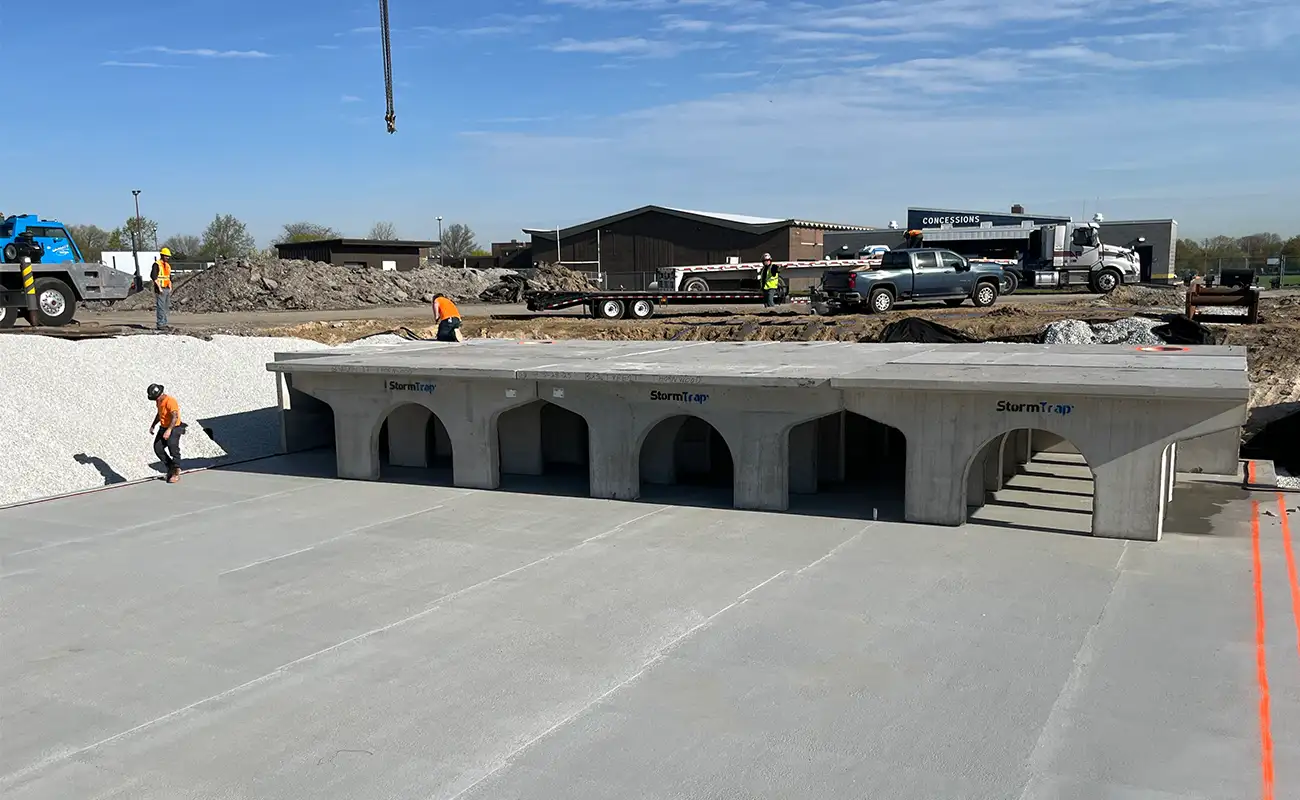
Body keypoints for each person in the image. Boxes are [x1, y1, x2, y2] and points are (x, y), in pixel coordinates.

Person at [148, 383, 183, 483]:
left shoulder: (170, 401)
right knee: (157, 447)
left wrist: (169, 430)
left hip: (174, 427)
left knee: (173, 447)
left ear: (160, 394)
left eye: (156, 398)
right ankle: (170, 467)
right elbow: (159, 414)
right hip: (163, 427)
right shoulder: (159, 402)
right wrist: (153, 424)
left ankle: (176, 471)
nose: (155, 400)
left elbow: (175, 416)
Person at [150, 247, 173, 329]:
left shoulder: (167, 266)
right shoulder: (157, 264)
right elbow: (154, 277)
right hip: (160, 289)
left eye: (168, 256)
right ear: (162, 255)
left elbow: (169, 277)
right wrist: (159, 288)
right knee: (161, 307)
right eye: (166, 256)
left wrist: (170, 286)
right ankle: (160, 324)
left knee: (166, 307)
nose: (168, 257)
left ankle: (165, 323)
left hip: (166, 288)